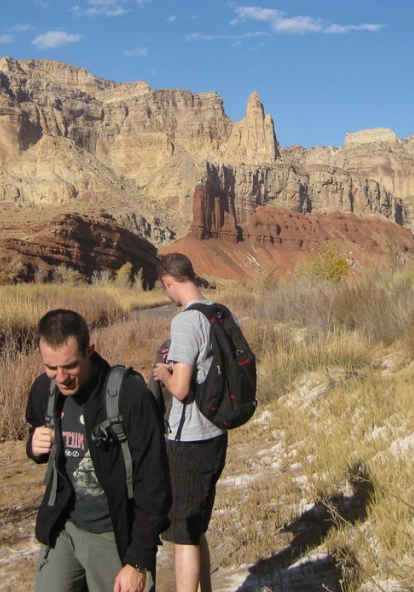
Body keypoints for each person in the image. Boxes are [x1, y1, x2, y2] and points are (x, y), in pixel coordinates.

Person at [26, 308, 170, 592]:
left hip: (112, 535)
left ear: (90, 350)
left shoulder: (129, 396)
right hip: (64, 527)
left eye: (70, 366)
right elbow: (37, 436)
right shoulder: (46, 389)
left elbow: (154, 484)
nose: (61, 377)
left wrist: (138, 562)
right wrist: (34, 446)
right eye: (51, 367)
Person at [150, 253, 230, 592]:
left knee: (182, 532)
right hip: (215, 432)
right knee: (196, 526)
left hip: (190, 438)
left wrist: (163, 374)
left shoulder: (185, 321)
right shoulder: (220, 312)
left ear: (169, 282)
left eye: (165, 287)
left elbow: (181, 389)